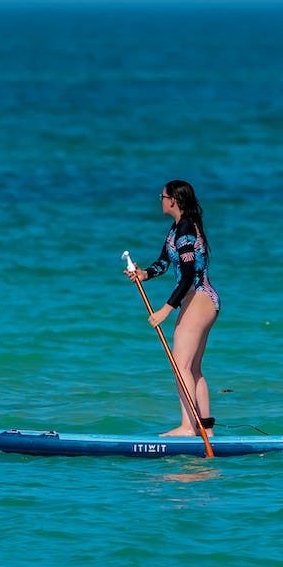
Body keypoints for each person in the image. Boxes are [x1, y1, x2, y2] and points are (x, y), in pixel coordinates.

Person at [125, 180, 221, 437]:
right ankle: (206, 431)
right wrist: (144, 274)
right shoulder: (176, 228)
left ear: (173, 200)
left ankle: (189, 427)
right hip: (200, 300)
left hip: (199, 297)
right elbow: (165, 261)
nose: (160, 199)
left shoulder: (186, 229)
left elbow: (189, 276)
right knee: (193, 368)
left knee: (180, 366)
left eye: (162, 196)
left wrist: (165, 310)